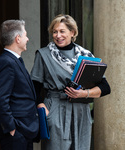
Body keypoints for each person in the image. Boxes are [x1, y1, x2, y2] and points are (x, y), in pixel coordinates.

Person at [31, 14, 111, 150]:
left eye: (62, 31)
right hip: (55, 109)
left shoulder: (86, 56)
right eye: (55, 32)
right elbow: (34, 86)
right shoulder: (43, 55)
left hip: (81, 112)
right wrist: (41, 107)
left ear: (72, 32)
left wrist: (84, 93)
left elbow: (105, 87)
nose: (58, 35)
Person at [0, 20, 39, 150]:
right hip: (16, 133)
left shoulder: (15, 60)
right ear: (18, 39)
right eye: (25, 35)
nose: (28, 38)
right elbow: (0, 99)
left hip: (24, 130)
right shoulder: (6, 62)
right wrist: (11, 128)